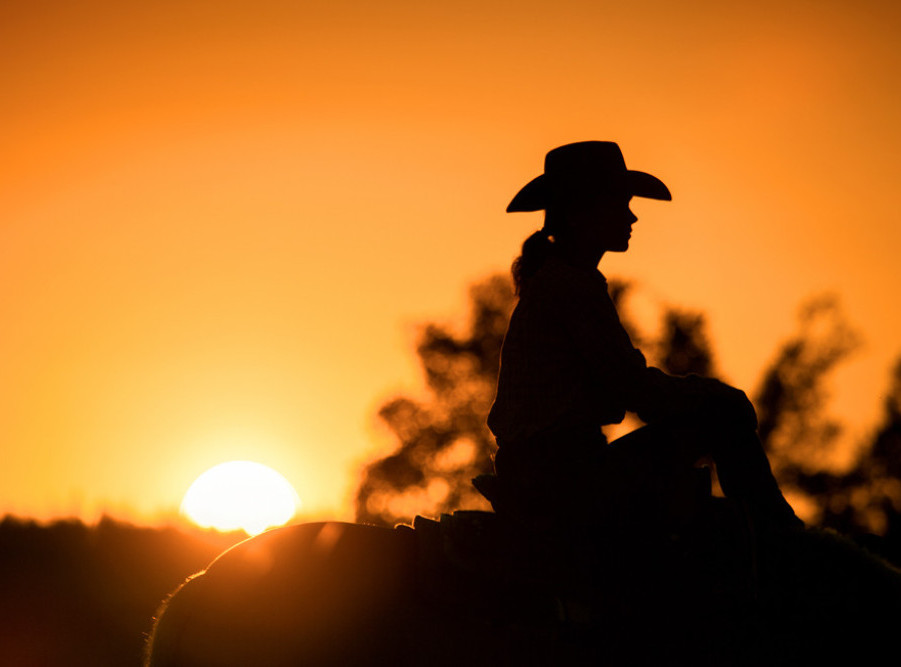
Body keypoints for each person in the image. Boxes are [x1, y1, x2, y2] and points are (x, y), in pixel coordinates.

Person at [487, 141, 801, 532]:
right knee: (723, 415)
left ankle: (771, 533)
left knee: (716, 416)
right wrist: (712, 395)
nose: (632, 216)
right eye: (620, 204)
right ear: (581, 214)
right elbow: (638, 391)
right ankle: (780, 536)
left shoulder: (560, 283)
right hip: (561, 479)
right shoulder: (571, 288)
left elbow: (627, 386)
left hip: (550, 473)